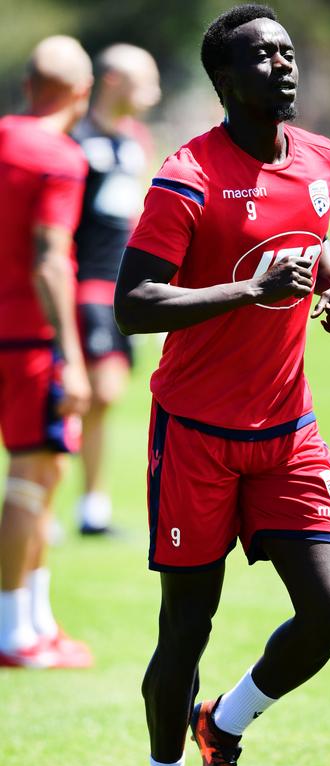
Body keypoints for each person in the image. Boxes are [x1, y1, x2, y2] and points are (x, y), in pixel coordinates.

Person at [114, 4, 330, 766]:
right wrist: (250, 292)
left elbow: (309, 231)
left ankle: (224, 721)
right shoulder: (186, 176)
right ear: (226, 81)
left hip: (288, 426)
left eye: (288, 53)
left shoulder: (322, 158)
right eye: (263, 57)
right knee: (186, 626)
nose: (284, 66)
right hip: (196, 433)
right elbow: (135, 302)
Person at [0, 36, 94, 668]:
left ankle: (37, 620)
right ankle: (12, 634)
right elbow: (48, 260)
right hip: (29, 339)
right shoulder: (60, 157)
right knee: (30, 480)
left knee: (50, 472)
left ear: (30, 85)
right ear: (81, 94)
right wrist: (74, 355)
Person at [74, 44, 160, 535]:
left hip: (123, 285)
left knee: (105, 396)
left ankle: (91, 507)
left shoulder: (137, 139)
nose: (154, 88)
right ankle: (47, 496)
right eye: (143, 78)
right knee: (92, 391)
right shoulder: (77, 141)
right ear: (111, 82)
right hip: (85, 285)